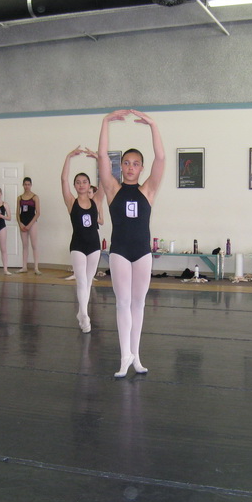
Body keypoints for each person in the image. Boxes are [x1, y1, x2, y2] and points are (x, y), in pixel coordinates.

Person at [97, 109, 165, 377]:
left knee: (139, 303)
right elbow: (102, 157)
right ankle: (124, 355)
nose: (130, 167)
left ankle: (135, 356)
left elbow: (161, 158)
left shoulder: (148, 190)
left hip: (142, 253)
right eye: (126, 163)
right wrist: (105, 122)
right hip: (120, 252)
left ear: (141, 168)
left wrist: (153, 125)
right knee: (122, 302)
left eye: (135, 163)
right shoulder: (112, 189)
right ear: (121, 166)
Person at [61, 146, 103, 333]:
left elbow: (105, 180)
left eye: (84, 182)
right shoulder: (71, 202)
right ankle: (85, 316)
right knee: (81, 281)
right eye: (77, 182)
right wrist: (68, 157)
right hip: (77, 245)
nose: (81, 185)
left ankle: (81, 312)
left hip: (94, 245)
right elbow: (63, 179)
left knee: (88, 280)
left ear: (89, 185)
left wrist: (99, 159)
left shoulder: (97, 201)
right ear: (75, 186)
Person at [17, 177, 41, 275]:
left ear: (31, 185)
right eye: (25, 184)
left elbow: (38, 213)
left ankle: (36, 268)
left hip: (32, 223)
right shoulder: (19, 198)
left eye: (28, 184)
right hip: (23, 223)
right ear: (23, 185)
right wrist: (20, 223)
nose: (27, 186)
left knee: (34, 245)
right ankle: (24, 267)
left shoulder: (35, 197)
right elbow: (17, 213)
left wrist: (30, 224)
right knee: (25, 245)